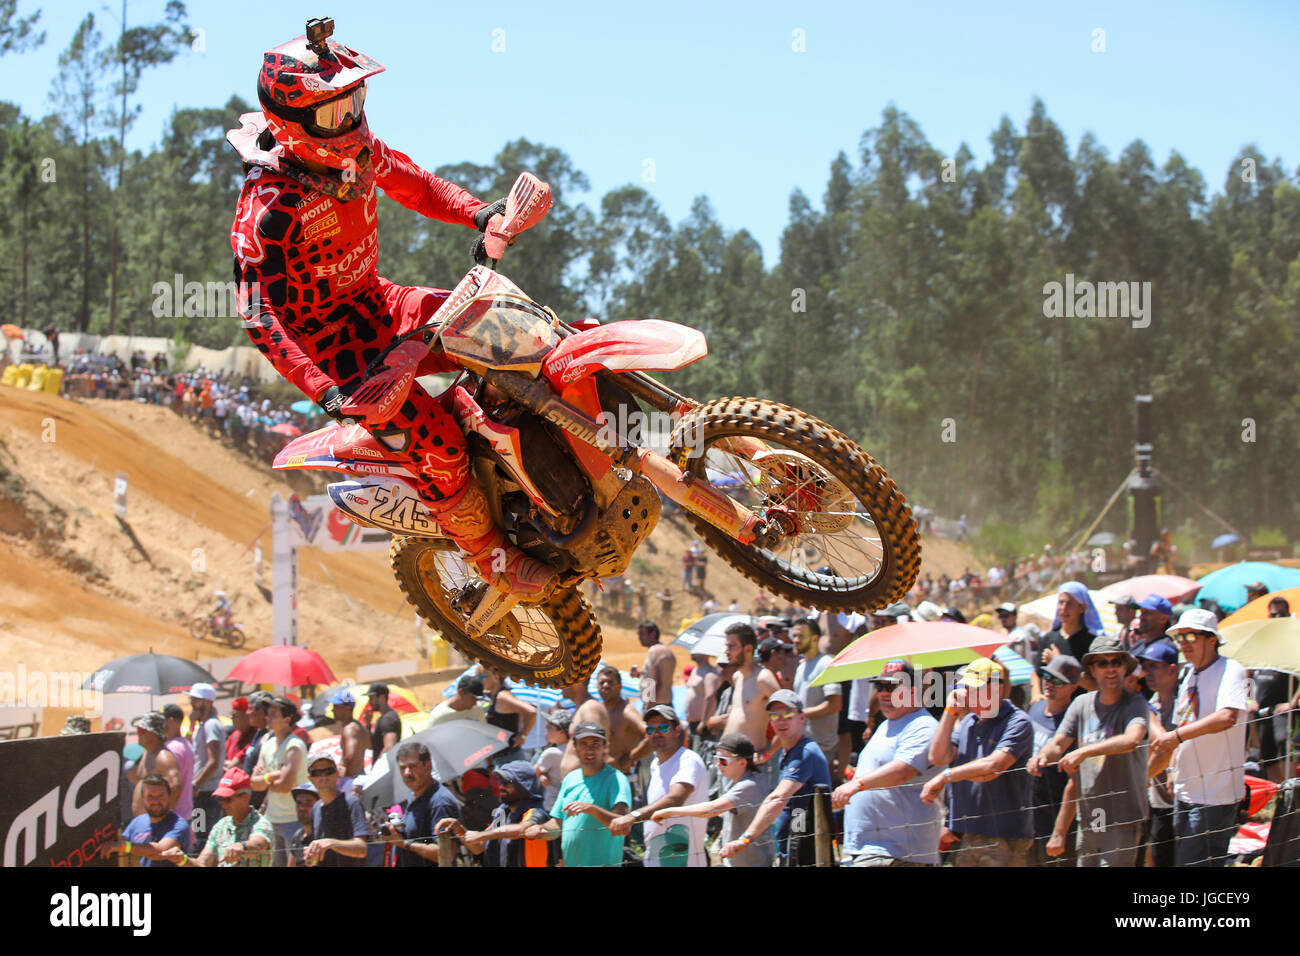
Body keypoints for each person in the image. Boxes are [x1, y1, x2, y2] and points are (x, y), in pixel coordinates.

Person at [229, 19, 556, 613]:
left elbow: (414, 183)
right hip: (337, 354)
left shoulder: (358, 154)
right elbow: (256, 311)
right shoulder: (269, 207)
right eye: (332, 113)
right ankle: (492, 558)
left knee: (501, 324)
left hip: (378, 300)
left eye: (353, 99)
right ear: (288, 123)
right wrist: (323, 388)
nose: (349, 119)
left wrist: (479, 213)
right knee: (437, 444)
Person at [1030, 637, 1150, 866]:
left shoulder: (1135, 703)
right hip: (1091, 814)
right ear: (1092, 670)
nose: (1110, 668)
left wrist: (1084, 751)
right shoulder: (1081, 704)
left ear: (1125, 668)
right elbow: (1057, 745)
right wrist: (1041, 757)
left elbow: (1132, 739)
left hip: (1123, 815)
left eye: (1116, 661)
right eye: (1102, 663)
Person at [1148, 608, 1248, 868]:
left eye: (1191, 637)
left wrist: (1176, 738)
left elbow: (1227, 716)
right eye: (1180, 638)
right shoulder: (1189, 674)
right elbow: (1184, 722)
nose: (1184, 644)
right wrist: (1173, 768)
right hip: (1186, 789)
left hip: (1215, 794)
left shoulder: (1231, 670)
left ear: (1212, 639)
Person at [922, 658, 1034, 867]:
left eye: (975, 689)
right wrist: (949, 712)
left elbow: (993, 767)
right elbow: (937, 757)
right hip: (966, 833)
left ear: (997, 690)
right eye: (966, 688)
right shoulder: (968, 722)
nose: (968, 694)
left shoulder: (1018, 722)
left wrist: (945, 777)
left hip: (1004, 834)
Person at [832, 660, 942, 866]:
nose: (883, 693)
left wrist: (857, 785)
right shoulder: (885, 726)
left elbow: (903, 771)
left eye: (892, 687)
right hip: (871, 849)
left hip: (897, 852)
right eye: (879, 686)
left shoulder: (923, 726)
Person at [719, 689, 831, 867]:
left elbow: (777, 798)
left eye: (787, 713)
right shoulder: (788, 751)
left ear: (802, 717)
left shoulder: (805, 753)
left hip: (807, 846)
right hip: (795, 841)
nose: (780, 721)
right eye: (774, 715)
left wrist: (746, 839)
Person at [655, 732, 774, 867]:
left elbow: (711, 810)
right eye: (716, 758)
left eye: (723, 760)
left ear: (742, 762)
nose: (718, 764)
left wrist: (669, 812)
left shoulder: (748, 786)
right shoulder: (738, 782)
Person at [609, 705, 708, 866]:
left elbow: (676, 798)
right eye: (650, 729)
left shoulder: (688, 760)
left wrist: (633, 816)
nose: (656, 733)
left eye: (663, 727)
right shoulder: (655, 764)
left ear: (677, 730)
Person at [525, 722, 631, 867]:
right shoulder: (570, 778)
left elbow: (624, 826)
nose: (590, 749)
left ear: (605, 747)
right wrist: (541, 830)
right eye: (584, 743)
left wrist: (592, 809)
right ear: (575, 747)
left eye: (595, 743)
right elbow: (558, 823)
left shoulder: (616, 779)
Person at [436, 761, 553, 867]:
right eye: (501, 782)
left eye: (508, 783)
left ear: (523, 786)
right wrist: (458, 829)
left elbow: (522, 830)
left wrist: (481, 835)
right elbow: (478, 847)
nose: (501, 786)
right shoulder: (502, 813)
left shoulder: (536, 812)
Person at [1023, 655, 1081, 866]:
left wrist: (1060, 832)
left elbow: (1075, 783)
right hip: (1027, 815)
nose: (1049, 683)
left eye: (1057, 681)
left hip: (1055, 816)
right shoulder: (1036, 708)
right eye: (1046, 676)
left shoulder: (1074, 722)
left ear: (1073, 687)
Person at [162, 769, 275, 867]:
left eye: (228, 799)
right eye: (221, 799)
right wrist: (183, 860)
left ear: (245, 797)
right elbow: (203, 863)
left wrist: (242, 846)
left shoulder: (261, 824)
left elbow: (258, 844)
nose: (223, 804)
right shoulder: (221, 826)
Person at [1137, 639, 1181, 866]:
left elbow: (1169, 744)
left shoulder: (1187, 703)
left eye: (1154, 666)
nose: (1147, 673)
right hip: (1158, 801)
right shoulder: (1149, 704)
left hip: (1184, 799)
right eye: (1146, 667)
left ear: (1172, 669)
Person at [250, 696, 309, 865]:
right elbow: (254, 784)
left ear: (287, 719)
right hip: (271, 819)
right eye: (268, 714)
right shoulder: (267, 744)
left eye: (273, 714)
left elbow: (285, 786)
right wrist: (273, 776)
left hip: (293, 820)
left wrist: (266, 778)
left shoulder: (294, 746)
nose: (267, 718)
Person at [387, 740, 460, 866]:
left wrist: (403, 843)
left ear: (428, 766)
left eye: (412, 766)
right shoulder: (413, 795)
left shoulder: (440, 801)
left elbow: (445, 853)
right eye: (402, 768)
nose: (407, 773)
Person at [791, 618, 843, 781]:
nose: (796, 640)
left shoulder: (825, 664)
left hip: (820, 746)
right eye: (794, 636)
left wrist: (801, 714)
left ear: (815, 638)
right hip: (803, 743)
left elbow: (835, 704)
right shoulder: (801, 666)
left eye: (801, 636)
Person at [101, 774, 191, 867]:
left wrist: (123, 846)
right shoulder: (137, 822)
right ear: (143, 799)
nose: (156, 801)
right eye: (150, 796)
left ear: (169, 796)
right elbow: (120, 847)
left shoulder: (178, 825)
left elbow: (160, 851)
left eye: (161, 796)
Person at [1035, 582, 1103, 698]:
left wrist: (1059, 663)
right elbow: (1037, 673)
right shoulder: (1048, 638)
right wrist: (1036, 694)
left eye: (1069, 604)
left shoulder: (1092, 643)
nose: (1063, 608)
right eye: (1061, 602)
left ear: (1082, 608)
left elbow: (1094, 685)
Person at [302, 754, 370, 866]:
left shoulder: (351, 803)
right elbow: (318, 855)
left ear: (337, 773)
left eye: (329, 771)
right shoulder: (315, 809)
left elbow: (361, 849)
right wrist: (311, 858)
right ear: (310, 778)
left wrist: (331, 843)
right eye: (317, 773)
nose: (323, 776)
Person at [722, 622, 780, 750]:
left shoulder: (763, 678)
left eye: (731, 646)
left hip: (751, 762)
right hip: (728, 760)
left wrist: (769, 753)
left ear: (748, 649)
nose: (726, 651)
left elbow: (788, 715)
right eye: (727, 646)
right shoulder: (737, 677)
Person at [187, 682, 226, 852]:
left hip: (206, 794)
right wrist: (191, 725)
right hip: (201, 793)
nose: (192, 704)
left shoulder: (211, 725)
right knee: (199, 834)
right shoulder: (203, 725)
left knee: (205, 838)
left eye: (196, 700)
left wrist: (197, 784)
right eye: (192, 700)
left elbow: (214, 761)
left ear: (208, 702)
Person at [128, 712, 183, 817]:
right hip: (145, 824)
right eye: (138, 730)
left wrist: (162, 818)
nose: (139, 733)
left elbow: (175, 787)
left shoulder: (163, 757)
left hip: (157, 826)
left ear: (155, 733)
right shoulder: (146, 754)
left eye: (142, 730)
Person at [594, 665, 646, 772]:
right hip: (598, 776)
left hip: (621, 777)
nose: (605, 685)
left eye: (610, 682)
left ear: (620, 686)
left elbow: (650, 734)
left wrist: (631, 758)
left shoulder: (626, 712)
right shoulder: (596, 710)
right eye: (602, 683)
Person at [557, 679, 609, 778]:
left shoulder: (589, 708)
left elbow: (594, 749)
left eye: (563, 680)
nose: (559, 685)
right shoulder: (584, 708)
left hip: (586, 785)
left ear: (576, 683)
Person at [483, 669, 537, 756]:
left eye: (483, 676)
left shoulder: (502, 696)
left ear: (496, 677)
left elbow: (531, 712)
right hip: (502, 756)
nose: (480, 680)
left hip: (508, 757)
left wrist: (523, 735)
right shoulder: (495, 696)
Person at [161, 703, 195, 826]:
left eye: (162, 721)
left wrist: (164, 815)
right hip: (185, 813)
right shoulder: (185, 744)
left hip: (174, 816)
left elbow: (175, 786)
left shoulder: (172, 748)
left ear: (170, 721)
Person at [632, 620, 676, 707]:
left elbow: (655, 682)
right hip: (664, 703)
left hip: (655, 706)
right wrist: (640, 673)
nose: (639, 638)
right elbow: (662, 676)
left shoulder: (654, 651)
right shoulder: (666, 651)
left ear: (653, 634)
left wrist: (648, 707)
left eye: (642, 634)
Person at [327, 689, 369, 780]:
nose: (333, 710)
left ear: (348, 708)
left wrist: (344, 780)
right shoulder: (359, 726)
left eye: (336, 706)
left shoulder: (350, 729)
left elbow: (351, 756)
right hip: (359, 777)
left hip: (352, 780)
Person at [534, 709, 570, 812]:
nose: (546, 730)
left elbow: (535, 770)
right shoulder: (575, 749)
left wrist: (541, 775)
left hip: (552, 806)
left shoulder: (552, 752)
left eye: (550, 728)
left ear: (562, 733)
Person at [684, 652, 723, 743]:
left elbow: (711, 697)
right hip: (692, 723)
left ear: (703, 653)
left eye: (695, 651)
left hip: (702, 725)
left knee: (701, 753)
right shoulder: (695, 670)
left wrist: (704, 721)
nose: (692, 653)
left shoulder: (711, 672)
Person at [366, 682, 403, 762]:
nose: (369, 702)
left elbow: (390, 746)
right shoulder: (384, 718)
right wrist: (368, 724)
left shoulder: (388, 719)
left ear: (382, 697)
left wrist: (378, 767)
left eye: (371, 698)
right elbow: (371, 746)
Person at [287, 781, 319, 867]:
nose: (302, 807)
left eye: (308, 802)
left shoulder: (325, 835)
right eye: (299, 803)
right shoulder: (298, 836)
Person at [224, 698, 257, 770]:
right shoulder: (234, 734)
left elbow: (234, 764)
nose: (231, 718)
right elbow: (221, 757)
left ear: (247, 716)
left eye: (235, 715)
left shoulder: (254, 736)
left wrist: (229, 765)